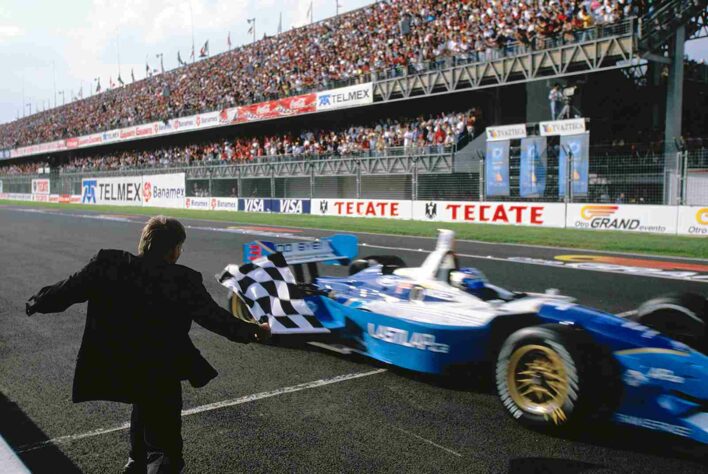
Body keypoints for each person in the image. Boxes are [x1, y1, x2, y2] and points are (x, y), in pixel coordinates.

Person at [25, 216, 270, 474]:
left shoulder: (109, 264)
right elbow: (217, 319)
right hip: (161, 371)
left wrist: (38, 301)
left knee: (141, 409)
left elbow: (68, 289)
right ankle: (148, 461)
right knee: (166, 453)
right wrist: (256, 332)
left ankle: (136, 460)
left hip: (122, 366)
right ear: (174, 249)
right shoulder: (183, 279)